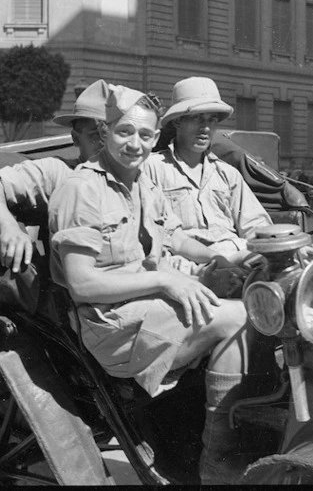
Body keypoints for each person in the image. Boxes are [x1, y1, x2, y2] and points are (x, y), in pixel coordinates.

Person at [48, 85, 258, 484]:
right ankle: (219, 463)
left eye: (146, 136)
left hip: (147, 303)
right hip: (111, 323)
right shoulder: (82, 188)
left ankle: (244, 434)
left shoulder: (143, 182)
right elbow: (82, 285)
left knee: (258, 299)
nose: (136, 144)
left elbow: (173, 237)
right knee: (239, 319)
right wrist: (166, 280)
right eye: (125, 132)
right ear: (104, 131)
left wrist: (223, 259)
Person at [144, 77, 273, 295]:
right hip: (196, 272)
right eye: (196, 118)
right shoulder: (153, 169)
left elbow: (256, 226)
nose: (205, 128)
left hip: (243, 260)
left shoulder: (227, 174)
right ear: (177, 122)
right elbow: (160, 242)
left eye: (212, 120)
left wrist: (277, 247)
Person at [0, 79, 109, 274]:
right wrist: (8, 226)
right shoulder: (59, 171)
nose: (106, 142)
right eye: (96, 135)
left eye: (113, 132)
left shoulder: (138, 175)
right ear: (75, 139)